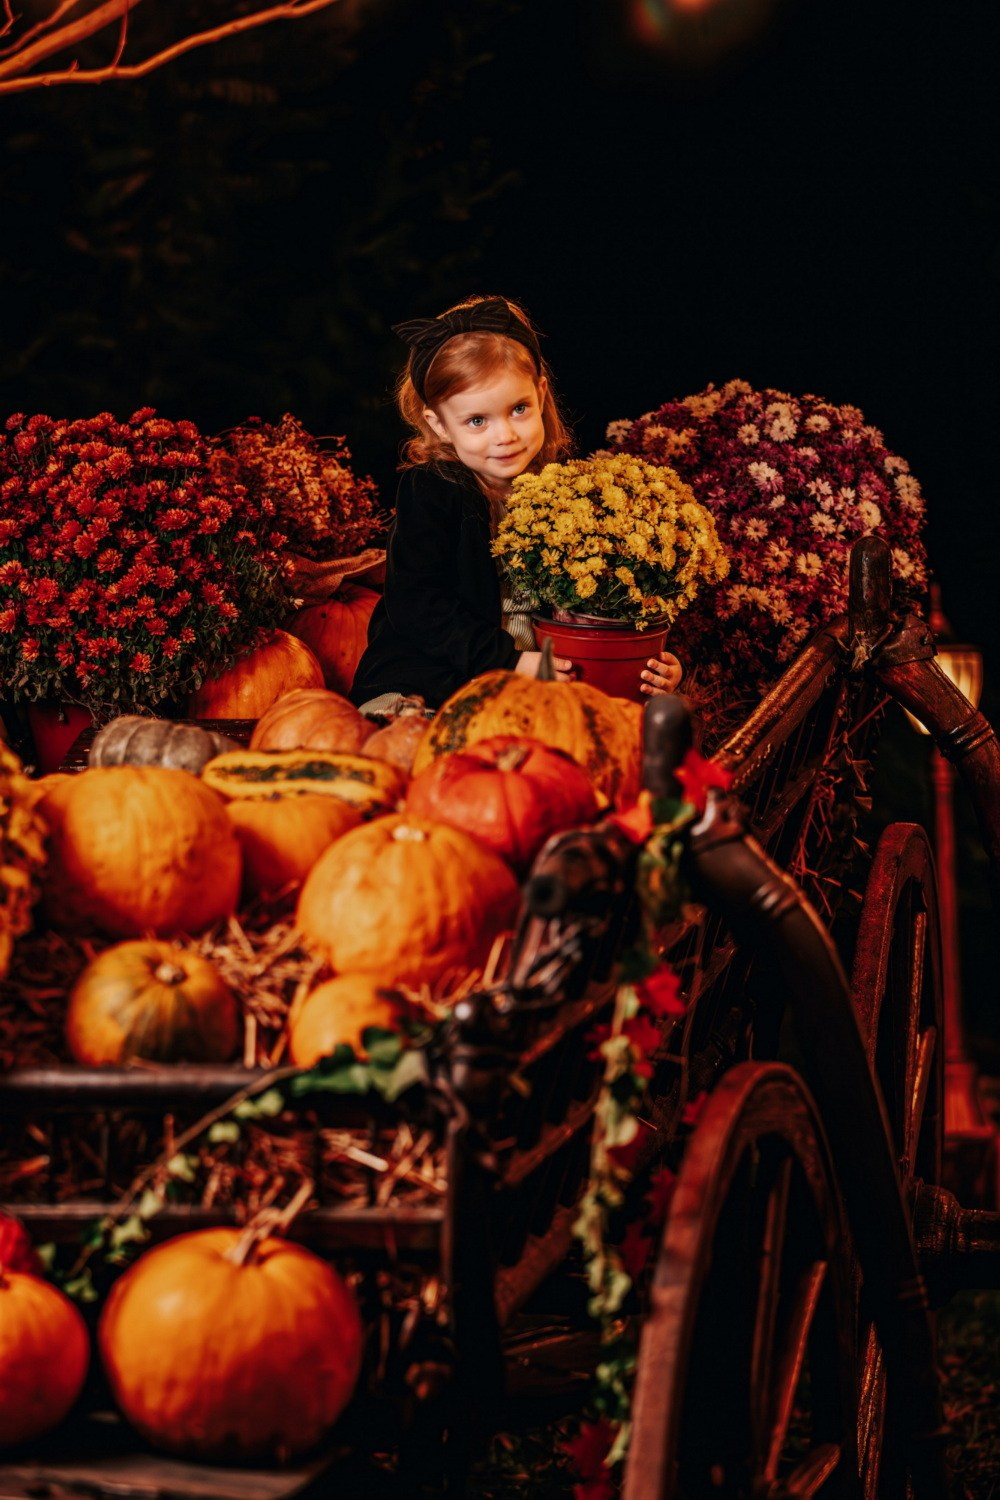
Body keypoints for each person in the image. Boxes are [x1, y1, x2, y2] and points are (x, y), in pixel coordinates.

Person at [349, 295, 683, 712]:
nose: (504, 435)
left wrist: (649, 657)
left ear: (541, 394)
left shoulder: (568, 492)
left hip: (537, 682)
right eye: (477, 421)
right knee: (428, 749)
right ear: (440, 425)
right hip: (434, 676)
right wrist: (507, 662)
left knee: (632, 733)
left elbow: (612, 593)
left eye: (519, 409)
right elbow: (417, 604)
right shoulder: (431, 489)